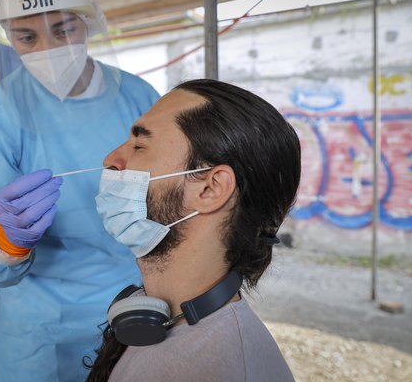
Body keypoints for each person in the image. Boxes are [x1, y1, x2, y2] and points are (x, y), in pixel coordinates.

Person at [0, 0, 159, 381]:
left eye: (64, 29)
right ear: (7, 35)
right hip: (42, 325)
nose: (48, 49)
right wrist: (5, 240)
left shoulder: (139, 97)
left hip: (137, 301)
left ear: (89, 20)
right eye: (26, 37)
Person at [86, 79, 301, 381]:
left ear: (211, 189)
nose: (111, 160)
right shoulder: (164, 319)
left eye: (139, 145)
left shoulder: (223, 368)